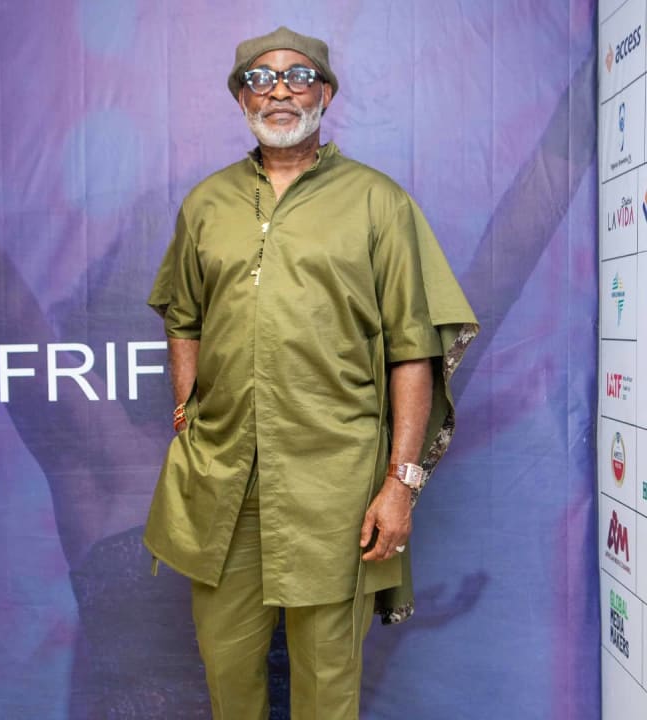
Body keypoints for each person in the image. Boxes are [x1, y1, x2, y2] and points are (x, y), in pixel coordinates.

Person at [144, 25, 478, 720]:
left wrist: (401, 484)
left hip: (337, 490)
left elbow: (412, 351)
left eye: (298, 76)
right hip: (224, 485)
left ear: (325, 93)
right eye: (260, 78)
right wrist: (187, 411)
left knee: (328, 689)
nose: (280, 90)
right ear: (241, 98)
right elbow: (183, 317)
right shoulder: (206, 205)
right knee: (228, 677)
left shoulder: (378, 202)